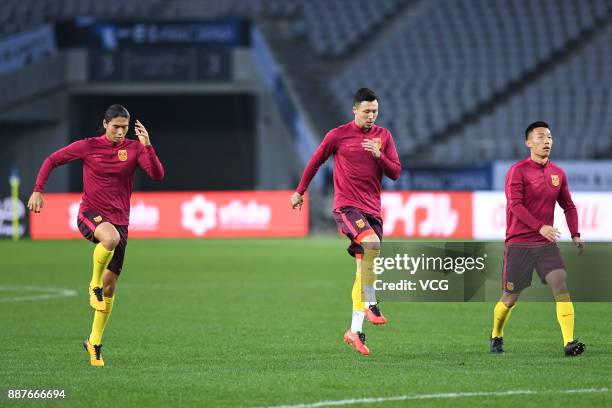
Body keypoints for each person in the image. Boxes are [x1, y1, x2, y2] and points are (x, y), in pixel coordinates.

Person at [27, 104, 165, 366]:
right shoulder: (88, 146)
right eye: (116, 127)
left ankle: (94, 342)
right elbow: (52, 160)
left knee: (111, 285)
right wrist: (37, 189)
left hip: (121, 221)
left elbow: (157, 175)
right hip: (90, 214)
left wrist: (147, 145)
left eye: (125, 127)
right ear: (105, 124)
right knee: (109, 240)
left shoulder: (134, 148)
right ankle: (93, 284)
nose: (121, 132)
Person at [291, 88, 401, 356]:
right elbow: (315, 162)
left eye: (375, 111)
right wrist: (300, 191)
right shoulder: (338, 135)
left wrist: (379, 156)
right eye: (367, 111)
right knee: (372, 245)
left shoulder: (383, 137)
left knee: (363, 270)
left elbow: (395, 172)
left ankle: (355, 331)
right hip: (347, 207)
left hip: (372, 210)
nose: (371, 116)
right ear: (355, 110)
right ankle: (372, 303)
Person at [490, 121, 585, 356]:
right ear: (528, 142)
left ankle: (569, 342)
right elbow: (516, 205)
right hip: (519, 243)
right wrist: (539, 226)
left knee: (560, 284)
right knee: (510, 298)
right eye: (541, 137)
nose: (547, 141)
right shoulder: (517, 171)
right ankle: (496, 334)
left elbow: (568, 206)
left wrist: (575, 233)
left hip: (545, 245)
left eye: (550, 137)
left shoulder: (558, 174)